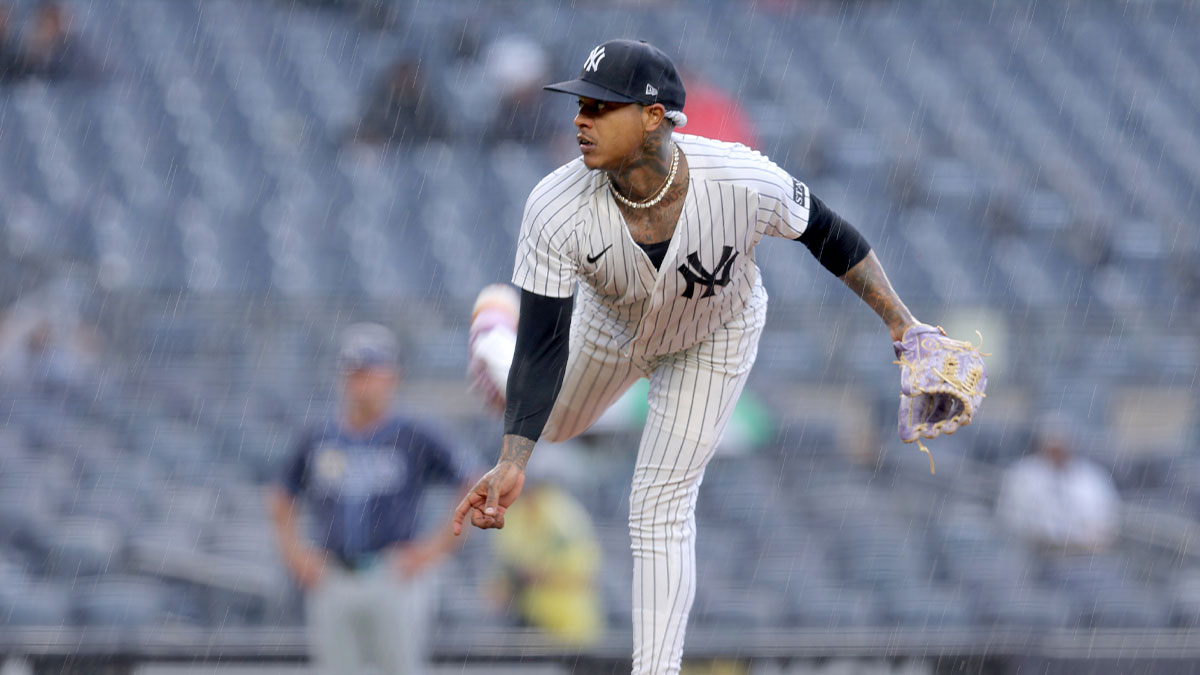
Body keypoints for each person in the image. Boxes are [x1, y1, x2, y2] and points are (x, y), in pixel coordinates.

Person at [453, 39, 928, 674]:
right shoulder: (554, 203)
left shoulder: (738, 177)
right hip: (608, 323)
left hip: (714, 336)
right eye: (579, 105)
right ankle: (492, 334)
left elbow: (830, 234)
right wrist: (516, 456)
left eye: (600, 106)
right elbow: (542, 346)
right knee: (555, 424)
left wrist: (905, 325)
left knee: (659, 501)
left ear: (654, 117)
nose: (579, 119)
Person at [269, 323, 477, 675]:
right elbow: (280, 496)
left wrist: (433, 550)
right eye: (354, 373)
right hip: (333, 574)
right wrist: (294, 554)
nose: (361, 382)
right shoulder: (319, 434)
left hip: (393, 574)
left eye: (370, 372)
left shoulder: (414, 432)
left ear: (391, 376)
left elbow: (473, 483)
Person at [996, 420, 1121, 552]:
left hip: (1084, 554)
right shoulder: (1021, 475)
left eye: (1061, 447)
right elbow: (1010, 519)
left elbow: (1109, 520)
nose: (1057, 454)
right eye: (1051, 448)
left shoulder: (1093, 477)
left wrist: (1082, 540)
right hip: (1033, 553)